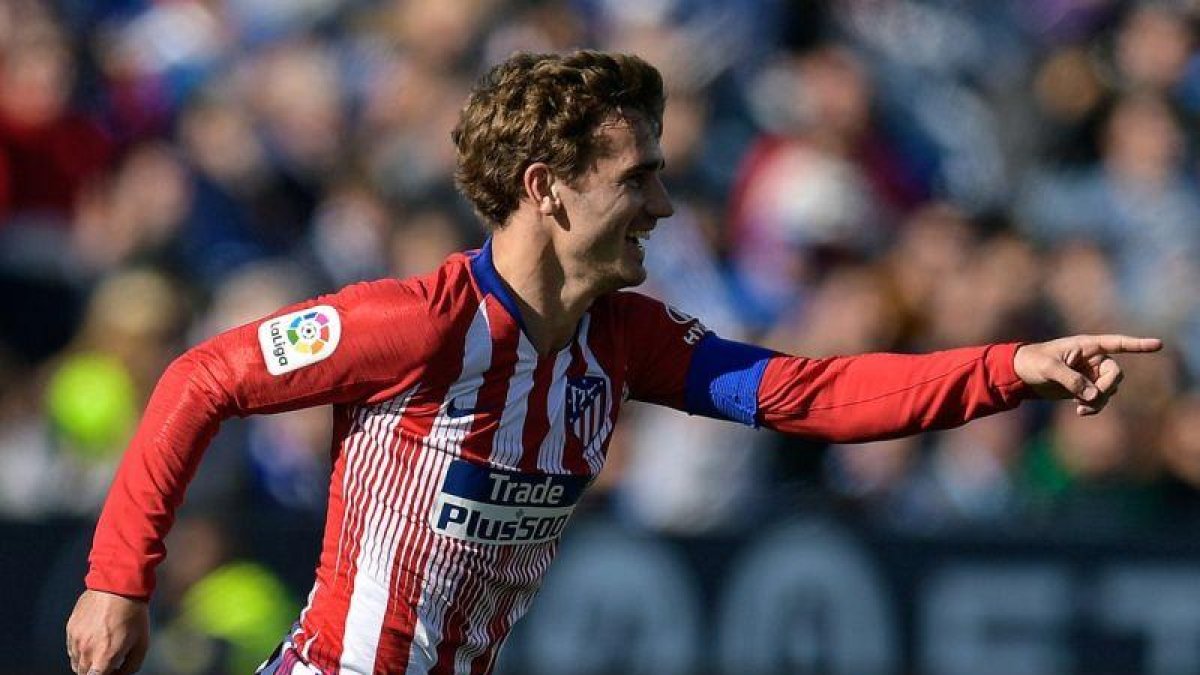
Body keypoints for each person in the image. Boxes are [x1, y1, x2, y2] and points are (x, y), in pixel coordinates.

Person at [65, 50, 1161, 675]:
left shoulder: (624, 342)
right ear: (547, 188)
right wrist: (117, 584)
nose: (666, 203)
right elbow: (198, 377)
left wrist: (1015, 364)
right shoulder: (416, 326)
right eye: (637, 177)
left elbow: (812, 396)